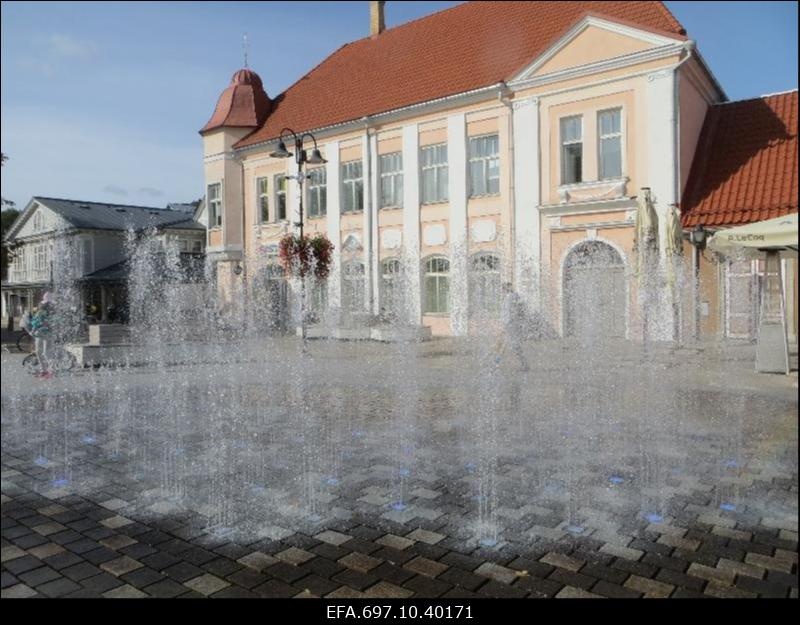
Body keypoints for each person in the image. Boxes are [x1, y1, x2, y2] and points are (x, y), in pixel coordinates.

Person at [499, 282, 530, 372]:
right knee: (505, 345)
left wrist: (507, 324)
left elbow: (510, 313)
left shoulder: (510, 297)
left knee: (513, 345)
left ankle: (524, 365)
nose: (503, 291)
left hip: (511, 324)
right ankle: (496, 363)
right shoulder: (513, 297)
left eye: (504, 289)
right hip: (511, 324)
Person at [30, 300, 54, 378]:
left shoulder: (41, 313)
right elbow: (36, 322)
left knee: (41, 352)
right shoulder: (45, 313)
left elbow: (35, 323)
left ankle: (47, 370)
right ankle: (46, 370)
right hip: (43, 334)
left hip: (42, 334)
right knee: (42, 352)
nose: (40, 306)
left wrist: (32, 331)